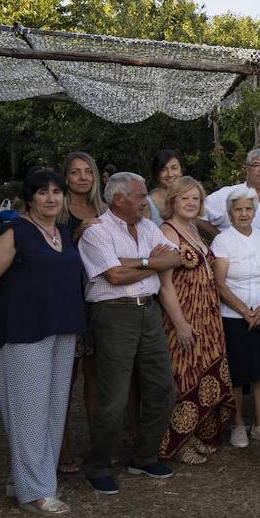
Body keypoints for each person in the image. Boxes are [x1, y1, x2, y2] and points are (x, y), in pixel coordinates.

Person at [0, 169, 87, 515]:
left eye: (56, 192)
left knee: (52, 408)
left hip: (61, 328)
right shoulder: (14, 232)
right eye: (42, 193)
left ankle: (26, 478)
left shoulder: (63, 232)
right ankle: (35, 493)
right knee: (28, 411)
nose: (51, 198)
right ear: (30, 197)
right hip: (23, 332)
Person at [76, 172, 182, 495]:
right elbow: (116, 276)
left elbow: (174, 257)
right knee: (114, 396)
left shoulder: (149, 227)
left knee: (163, 387)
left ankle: (144, 455)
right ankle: (98, 464)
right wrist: (152, 262)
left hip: (149, 311)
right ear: (118, 199)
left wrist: (139, 261)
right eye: (138, 196)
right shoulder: (96, 231)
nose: (144, 201)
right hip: (113, 314)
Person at [156, 176, 235, 464]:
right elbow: (165, 286)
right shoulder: (167, 233)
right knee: (185, 376)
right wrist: (179, 323)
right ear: (172, 201)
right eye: (184, 198)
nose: (190, 203)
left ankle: (200, 434)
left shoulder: (193, 230)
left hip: (208, 317)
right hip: (185, 317)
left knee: (206, 374)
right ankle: (177, 443)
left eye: (195, 199)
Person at [210, 186, 260, 449]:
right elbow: (219, 284)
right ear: (230, 213)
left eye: (248, 208)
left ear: (255, 212)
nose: (243, 213)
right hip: (233, 317)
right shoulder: (223, 241)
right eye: (238, 209)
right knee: (238, 374)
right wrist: (245, 311)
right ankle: (238, 424)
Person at [54, 151, 105, 474]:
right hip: (68, 298)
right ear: (66, 177)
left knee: (95, 376)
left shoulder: (103, 209)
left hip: (98, 299)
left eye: (88, 171)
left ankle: (96, 444)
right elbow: (54, 252)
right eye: (75, 172)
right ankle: (60, 447)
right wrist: (77, 232)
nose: (83, 177)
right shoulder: (58, 210)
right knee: (64, 378)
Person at [202, 148, 260, 238]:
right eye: (256, 165)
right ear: (247, 169)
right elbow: (197, 218)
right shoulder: (226, 194)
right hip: (234, 254)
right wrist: (221, 238)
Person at [146, 150, 183, 227]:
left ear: (181, 171)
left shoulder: (189, 198)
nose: (170, 174)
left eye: (174, 168)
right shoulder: (147, 204)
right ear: (157, 174)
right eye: (163, 169)